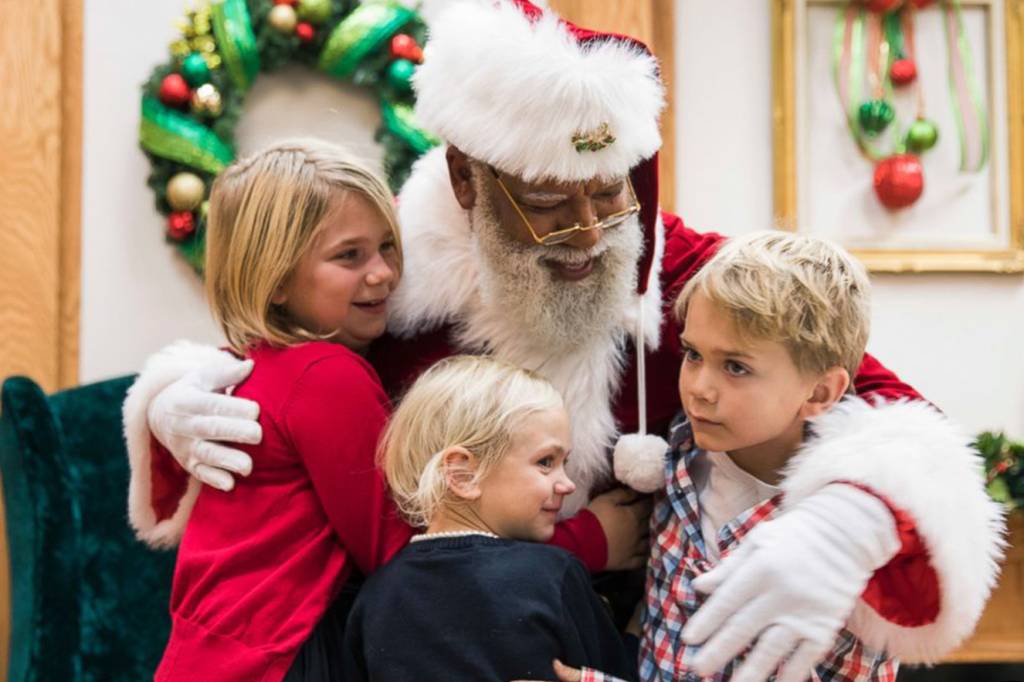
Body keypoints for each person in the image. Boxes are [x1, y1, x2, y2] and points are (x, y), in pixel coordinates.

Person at [124, 0, 1004, 675]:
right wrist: (177, 397)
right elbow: (280, 361)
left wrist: (853, 519)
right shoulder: (393, 272)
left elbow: (892, 413)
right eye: (547, 204)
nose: (587, 233)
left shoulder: (684, 271)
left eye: (609, 194)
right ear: (468, 180)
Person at [614, 232, 1004, 681]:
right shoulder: (680, 447)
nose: (699, 387)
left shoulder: (851, 530)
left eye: (736, 367)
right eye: (693, 354)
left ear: (820, 392)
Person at [150, 139, 415, 681]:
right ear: (275, 279)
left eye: (387, 246)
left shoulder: (257, 365)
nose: (382, 272)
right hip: (284, 656)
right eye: (350, 255)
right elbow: (391, 548)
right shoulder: (326, 377)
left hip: (207, 654)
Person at [344, 355, 637, 682]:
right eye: (545, 462)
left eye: (563, 463)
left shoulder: (376, 597)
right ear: (462, 473)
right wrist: (638, 634)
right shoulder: (552, 575)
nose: (567, 484)